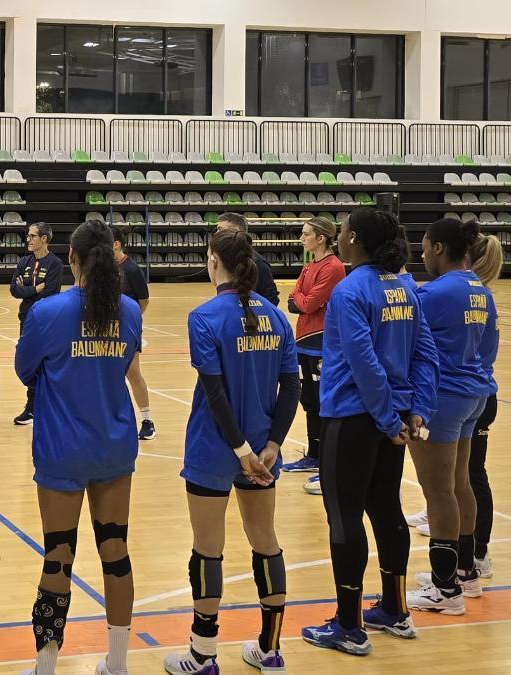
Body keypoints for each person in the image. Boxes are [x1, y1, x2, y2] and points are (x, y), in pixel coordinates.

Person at [301, 208, 438, 656]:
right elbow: (425, 354)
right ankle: (395, 610)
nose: (337, 237)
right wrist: (414, 411)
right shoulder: (406, 287)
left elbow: (363, 364)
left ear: (354, 238)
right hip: (392, 419)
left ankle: (348, 624)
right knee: (386, 509)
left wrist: (386, 418)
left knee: (344, 517)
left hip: (355, 418)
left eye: (341, 231)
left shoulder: (350, 290)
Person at [163, 229, 301, 674]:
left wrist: (239, 448)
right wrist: (273, 444)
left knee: (208, 548)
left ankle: (203, 655)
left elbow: (215, 392)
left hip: (214, 447)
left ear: (213, 262)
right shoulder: (277, 318)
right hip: (263, 451)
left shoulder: (204, 316)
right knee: (266, 540)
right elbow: (293, 386)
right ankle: (271, 649)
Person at [15, 220, 143, 675]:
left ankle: (46, 664)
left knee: (58, 554)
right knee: (116, 550)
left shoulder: (47, 313)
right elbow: (126, 364)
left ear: (71, 259)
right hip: (114, 448)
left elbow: (25, 370)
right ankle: (118, 663)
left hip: (62, 448)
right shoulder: (130, 311)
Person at [403, 219, 494, 616]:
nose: (421, 253)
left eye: (424, 246)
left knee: (438, 490)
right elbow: (489, 347)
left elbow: (407, 340)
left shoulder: (435, 292)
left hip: (443, 397)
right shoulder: (480, 289)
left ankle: (445, 591)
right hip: (475, 392)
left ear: (439, 248)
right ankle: (466, 574)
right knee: (459, 483)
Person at [282, 217, 346, 497]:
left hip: (321, 341)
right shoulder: (310, 264)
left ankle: (324, 459)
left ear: (321, 238)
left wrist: (300, 299)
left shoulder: (333, 267)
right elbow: (294, 296)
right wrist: (299, 299)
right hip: (303, 340)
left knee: (321, 401)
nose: (302, 237)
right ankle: (313, 454)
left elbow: (307, 302)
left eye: (306, 234)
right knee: (308, 399)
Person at [466, 233, 503, 578]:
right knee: (463, 473)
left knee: (473, 474)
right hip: (480, 391)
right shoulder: (481, 296)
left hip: (475, 394)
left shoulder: (473, 298)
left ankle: (479, 552)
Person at [10, 223, 63, 426]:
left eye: (33, 236)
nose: (28, 239)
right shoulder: (24, 262)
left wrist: (29, 289)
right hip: (26, 319)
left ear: (44, 239)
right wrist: (35, 289)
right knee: (28, 362)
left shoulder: (55, 264)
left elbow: (50, 292)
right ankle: (31, 407)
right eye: (28, 236)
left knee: (47, 363)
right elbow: (14, 290)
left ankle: (48, 407)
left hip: (47, 322)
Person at [110, 226, 155, 441]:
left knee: (132, 372)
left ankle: (147, 420)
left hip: (128, 327)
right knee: (109, 373)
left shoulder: (132, 269)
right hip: (106, 327)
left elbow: (144, 300)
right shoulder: (104, 267)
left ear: (116, 244)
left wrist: (132, 319)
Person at [216, 214, 279, 306]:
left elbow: (271, 299)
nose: (216, 233)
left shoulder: (258, 263)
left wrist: (253, 316)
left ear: (236, 231)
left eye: (220, 229)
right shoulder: (223, 259)